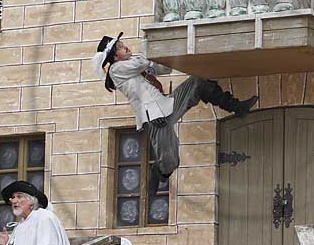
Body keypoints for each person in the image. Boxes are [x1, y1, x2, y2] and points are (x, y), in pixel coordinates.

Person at [93, 32, 258, 193]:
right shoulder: (116, 69)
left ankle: (237, 107)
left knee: (198, 82)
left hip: (167, 105)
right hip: (153, 118)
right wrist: (148, 40)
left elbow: (162, 68)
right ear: (115, 57)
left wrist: (164, 54)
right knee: (171, 161)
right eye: (121, 47)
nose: (126, 47)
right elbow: (143, 61)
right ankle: (158, 171)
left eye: (123, 44)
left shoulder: (131, 63)